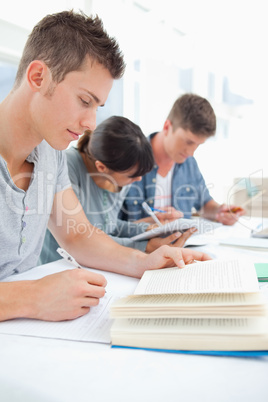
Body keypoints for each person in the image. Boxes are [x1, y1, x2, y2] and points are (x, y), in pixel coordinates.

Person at [0, 11, 210, 322]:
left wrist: (144, 262)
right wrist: (31, 297)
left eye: (97, 107)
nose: (90, 124)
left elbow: (79, 236)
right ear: (38, 77)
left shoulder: (50, 155)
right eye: (84, 101)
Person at [40, 116, 195, 265]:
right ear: (102, 167)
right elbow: (85, 238)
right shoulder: (66, 167)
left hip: (92, 264)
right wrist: (145, 246)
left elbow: (110, 226)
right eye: (132, 176)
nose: (138, 180)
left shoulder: (119, 177)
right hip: (55, 266)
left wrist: (151, 228)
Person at [120, 93, 246, 226]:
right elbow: (112, 226)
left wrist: (219, 212)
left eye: (198, 145)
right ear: (167, 127)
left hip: (181, 244)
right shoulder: (130, 158)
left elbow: (204, 204)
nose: (191, 152)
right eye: (188, 142)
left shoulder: (189, 164)